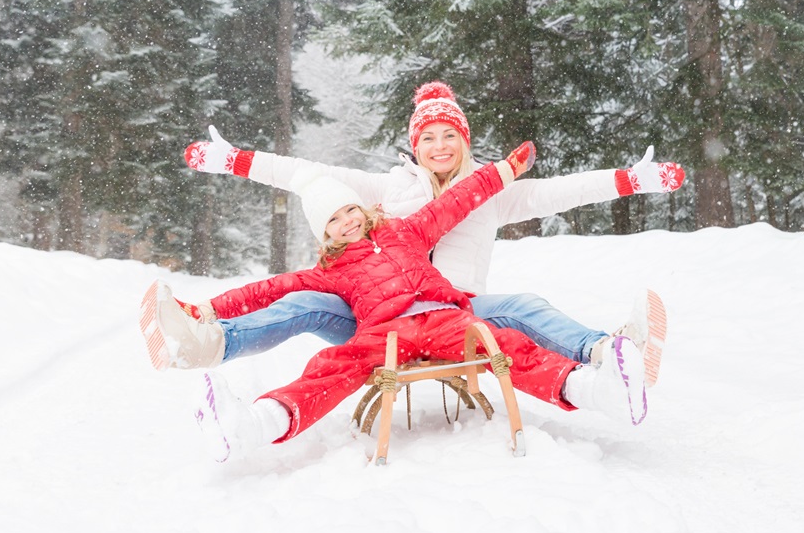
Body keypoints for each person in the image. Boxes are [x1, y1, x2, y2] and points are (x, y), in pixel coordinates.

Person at [149, 81, 683, 387]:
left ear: (465, 140)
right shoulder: (385, 189)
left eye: (451, 134)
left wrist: (629, 179)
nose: (441, 145)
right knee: (306, 298)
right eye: (429, 137)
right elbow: (302, 172)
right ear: (415, 145)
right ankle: (208, 341)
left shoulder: (487, 191)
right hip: (377, 320)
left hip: (457, 313)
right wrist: (235, 160)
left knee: (526, 304)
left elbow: (557, 193)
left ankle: (610, 355)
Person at [174, 142, 648, 463]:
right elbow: (269, 289)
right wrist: (208, 308)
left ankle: (598, 391)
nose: (345, 222)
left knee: (507, 346)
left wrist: (504, 169)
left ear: (361, 209)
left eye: (348, 211)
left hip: (445, 316)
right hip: (384, 334)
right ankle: (254, 424)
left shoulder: (408, 230)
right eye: (332, 221)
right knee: (331, 365)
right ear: (324, 234)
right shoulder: (329, 271)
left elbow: (460, 200)